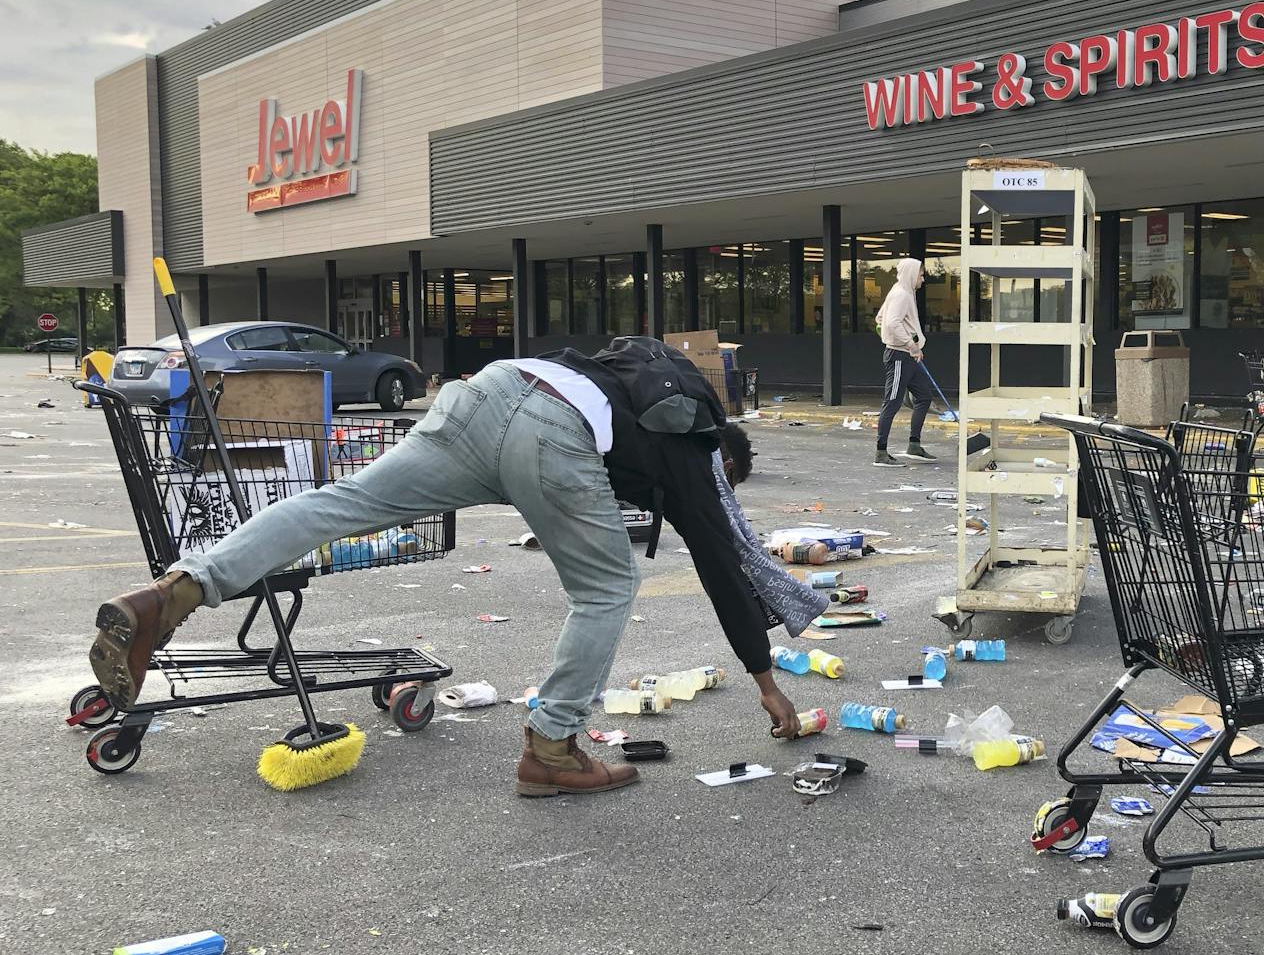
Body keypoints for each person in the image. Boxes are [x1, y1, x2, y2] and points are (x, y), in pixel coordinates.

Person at [87, 340, 816, 798]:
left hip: (487, 390)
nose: (724, 497)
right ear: (727, 458)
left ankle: (173, 592)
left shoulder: (646, 384)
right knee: (608, 586)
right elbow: (723, 566)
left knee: (342, 501)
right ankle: (554, 746)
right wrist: (766, 682)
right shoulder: (696, 455)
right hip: (549, 427)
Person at [873, 256, 939, 468]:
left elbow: (880, 319)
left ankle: (914, 445)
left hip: (908, 356)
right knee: (891, 402)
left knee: (924, 396)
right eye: (921, 275)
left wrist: (910, 344)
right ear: (912, 274)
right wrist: (910, 345)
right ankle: (881, 453)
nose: (922, 279)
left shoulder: (901, 292)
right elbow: (891, 323)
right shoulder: (901, 294)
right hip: (900, 357)